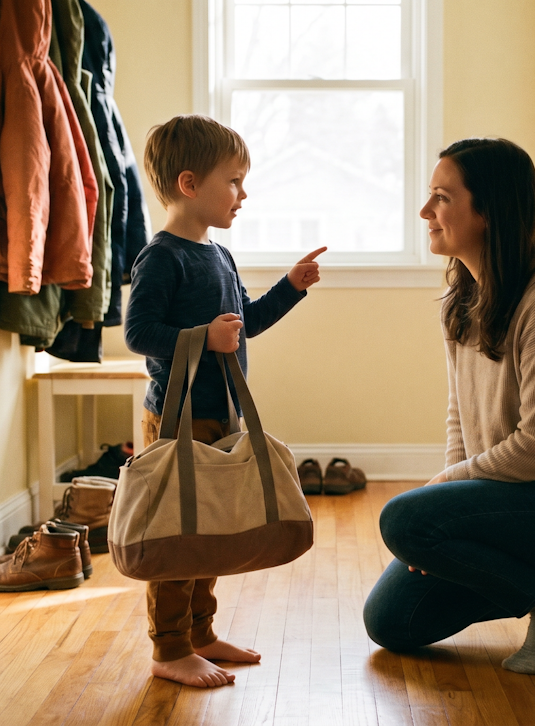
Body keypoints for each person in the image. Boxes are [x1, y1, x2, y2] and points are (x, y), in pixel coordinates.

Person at [362, 138, 535, 675]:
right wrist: (450, 501)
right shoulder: (461, 298)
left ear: (488, 211)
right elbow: (459, 414)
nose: (425, 211)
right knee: (390, 622)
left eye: (442, 198)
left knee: (403, 520)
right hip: (510, 500)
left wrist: (442, 496)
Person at [124, 114, 326, 688]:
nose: (243, 193)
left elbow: (245, 323)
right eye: (233, 181)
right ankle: (169, 648)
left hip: (220, 415)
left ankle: (201, 633)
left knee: (206, 527)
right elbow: (138, 333)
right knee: (176, 535)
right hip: (176, 418)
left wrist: (290, 287)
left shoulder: (219, 255)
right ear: (189, 185)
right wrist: (201, 338)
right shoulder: (162, 257)